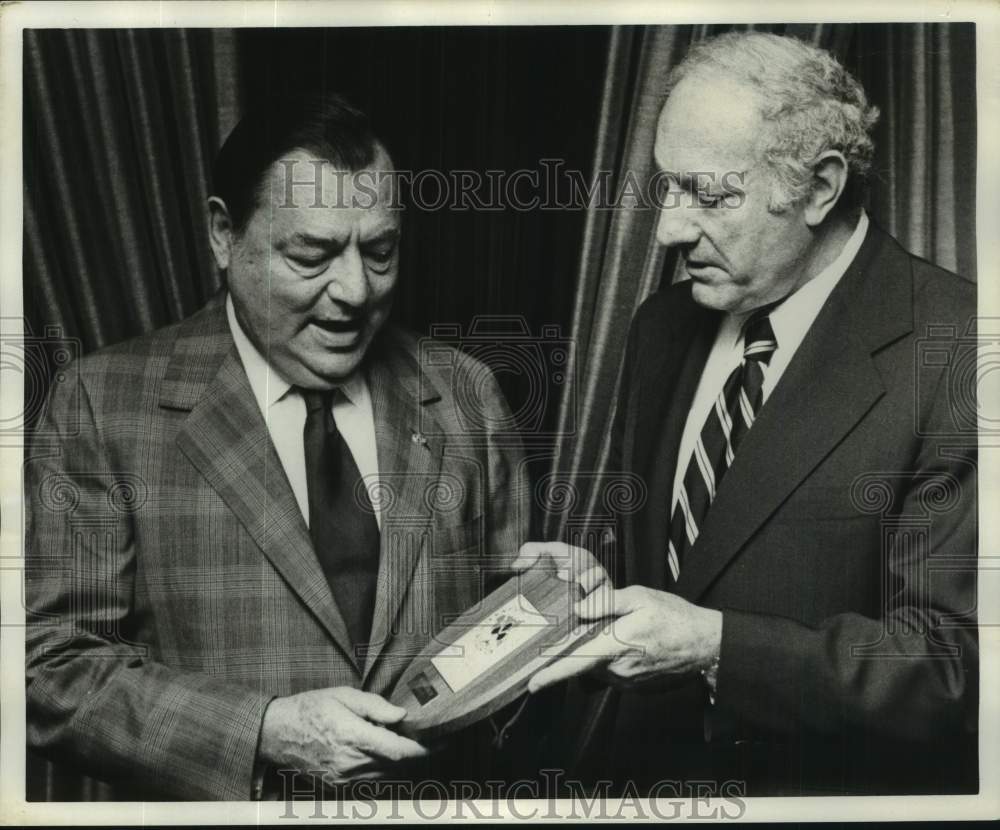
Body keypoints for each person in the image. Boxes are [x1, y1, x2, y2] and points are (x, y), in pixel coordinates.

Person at [25, 93, 531, 800]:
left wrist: (560, 611)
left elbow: (509, 649)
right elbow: (46, 667)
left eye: (380, 252)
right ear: (223, 235)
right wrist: (261, 731)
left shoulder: (467, 394)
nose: (354, 291)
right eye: (312, 254)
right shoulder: (101, 406)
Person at [516, 32, 978, 796]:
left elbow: (955, 671)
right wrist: (596, 599)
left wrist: (715, 648)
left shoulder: (958, 350)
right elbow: (685, 576)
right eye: (666, 188)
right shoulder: (661, 330)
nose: (668, 229)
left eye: (709, 196)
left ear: (820, 188)